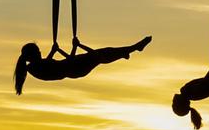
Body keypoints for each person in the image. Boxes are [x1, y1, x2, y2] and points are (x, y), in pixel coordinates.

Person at [13, 35, 151, 94]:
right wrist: (75, 46)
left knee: (101, 54)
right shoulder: (34, 67)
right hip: (75, 69)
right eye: (37, 51)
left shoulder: (36, 66)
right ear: (31, 55)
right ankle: (131, 49)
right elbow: (64, 63)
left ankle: (127, 51)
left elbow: (65, 61)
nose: (40, 53)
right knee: (98, 55)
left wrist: (61, 50)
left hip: (73, 67)